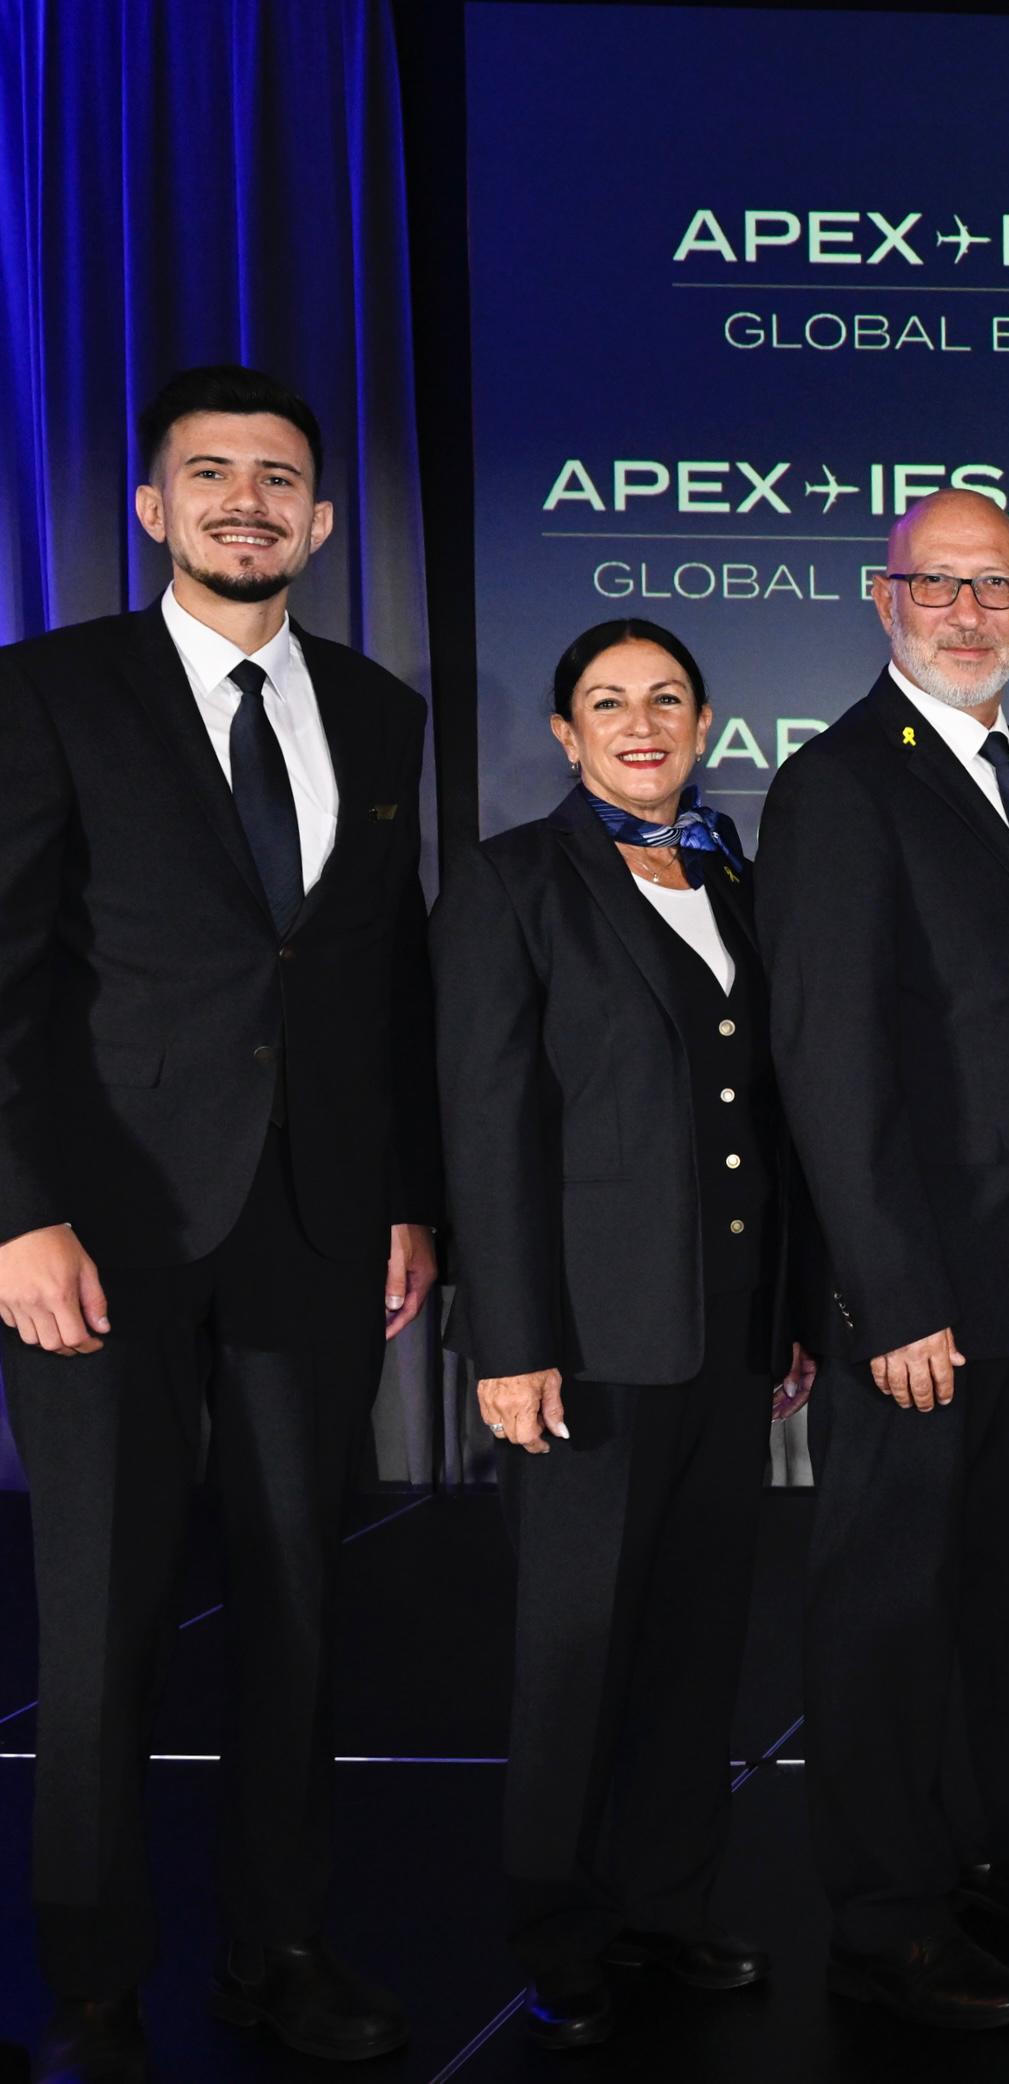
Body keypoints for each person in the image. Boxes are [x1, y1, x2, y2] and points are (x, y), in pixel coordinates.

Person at [0, 365, 439, 2076]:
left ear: (321, 521)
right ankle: (95, 1984)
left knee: (295, 1605)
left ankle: (282, 1948)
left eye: (278, 478)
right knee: (101, 1623)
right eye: (210, 475)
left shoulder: (378, 707)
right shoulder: (51, 694)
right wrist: (17, 1214)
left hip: (316, 1228)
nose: (246, 500)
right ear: (151, 509)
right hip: (98, 1233)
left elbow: (382, 984)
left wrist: (408, 1199)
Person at [757, 489, 1009, 2031]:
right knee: (884, 1610)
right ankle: (884, 1922)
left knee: (994, 1604)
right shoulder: (841, 785)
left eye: (996, 590)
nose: (969, 615)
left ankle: (989, 1862)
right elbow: (827, 1062)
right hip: (919, 1300)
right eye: (938, 587)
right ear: (881, 597)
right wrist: (888, 1295)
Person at [432, 618, 814, 2046]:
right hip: (584, 1340)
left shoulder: (741, 877)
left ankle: (667, 1904)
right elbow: (486, 1122)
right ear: (564, 733)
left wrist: (782, 1312)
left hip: (721, 1333)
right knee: (576, 1646)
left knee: (695, 1640)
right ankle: (560, 1928)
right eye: (608, 702)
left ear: (706, 723)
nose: (640, 723)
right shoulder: (512, 880)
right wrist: (512, 1340)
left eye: (666, 700)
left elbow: (766, 1119)